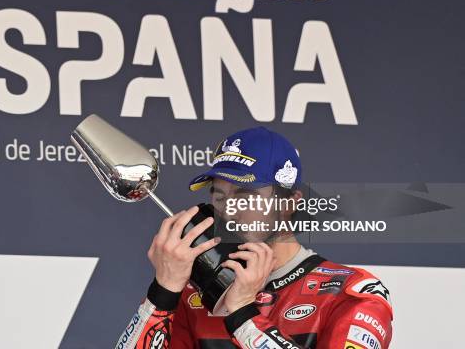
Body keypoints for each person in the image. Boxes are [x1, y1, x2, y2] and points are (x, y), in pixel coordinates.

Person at [115, 126, 393, 349]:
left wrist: (242, 315)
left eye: (245, 196)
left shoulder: (351, 292)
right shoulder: (195, 298)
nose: (227, 211)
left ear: (289, 203)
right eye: (219, 196)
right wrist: (163, 292)